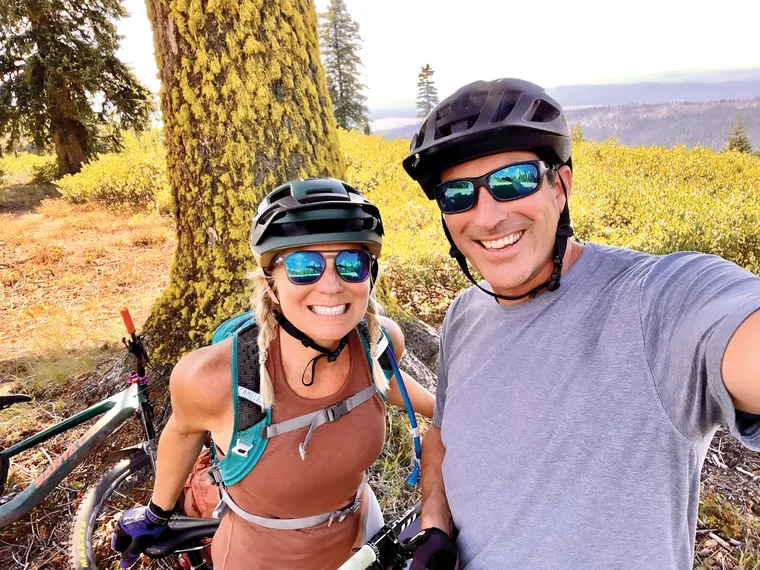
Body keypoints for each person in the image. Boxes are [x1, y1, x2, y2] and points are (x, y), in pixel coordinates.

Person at [401, 78, 760, 570]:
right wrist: (434, 527)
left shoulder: (654, 300)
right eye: (458, 194)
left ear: (561, 186)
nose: (486, 217)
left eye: (512, 181)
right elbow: (442, 436)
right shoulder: (465, 314)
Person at [111, 177, 435, 570]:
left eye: (351, 263)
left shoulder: (376, 342)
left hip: (365, 539)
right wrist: (157, 514)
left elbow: (384, 382)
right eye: (303, 266)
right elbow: (182, 431)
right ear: (271, 284)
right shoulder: (211, 378)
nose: (331, 286)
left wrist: (446, 412)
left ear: (371, 275)